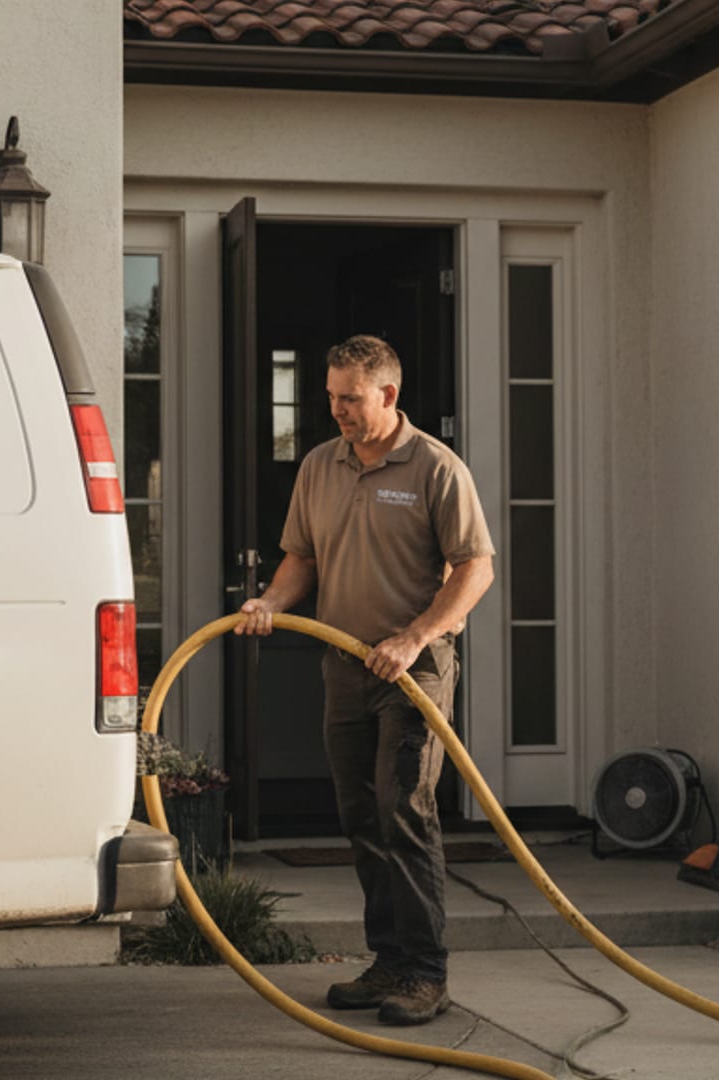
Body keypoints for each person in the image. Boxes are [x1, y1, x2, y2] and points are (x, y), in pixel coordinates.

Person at [236, 334, 495, 1026]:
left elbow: (476, 570)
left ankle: (426, 974)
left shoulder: (436, 469)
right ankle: (389, 960)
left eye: (349, 398)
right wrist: (270, 602)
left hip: (413, 673)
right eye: (329, 397)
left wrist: (415, 637)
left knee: (404, 811)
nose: (337, 410)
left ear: (388, 394)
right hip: (344, 666)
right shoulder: (321, 466)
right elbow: (300, 560)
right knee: (360, 816)